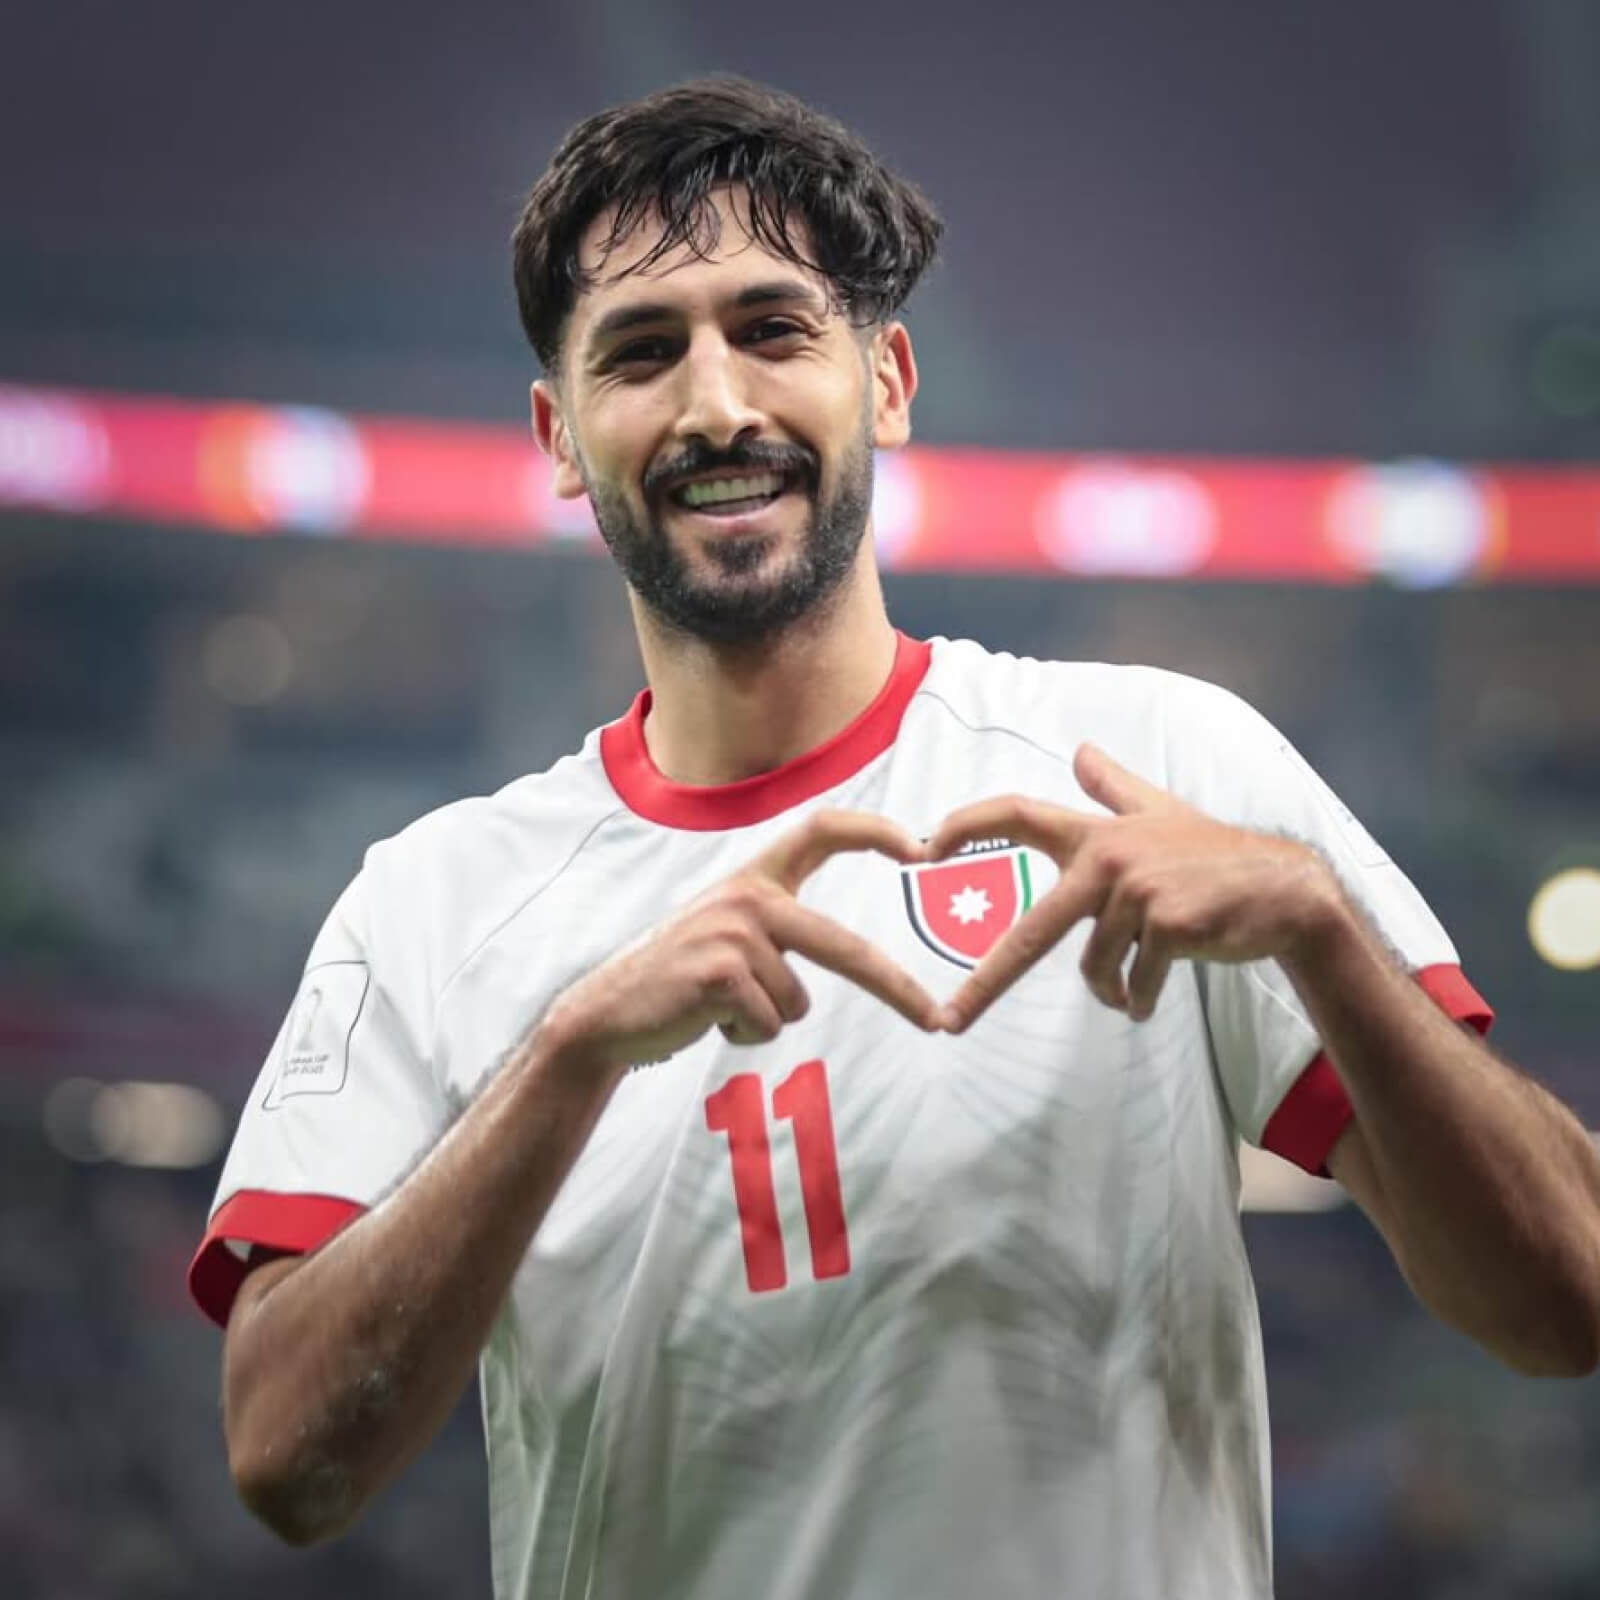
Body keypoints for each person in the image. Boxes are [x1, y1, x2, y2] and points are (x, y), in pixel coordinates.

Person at [189, 76, 1600, 1600]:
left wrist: (1324, 934)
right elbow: (287, 1461)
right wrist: (569, 1053)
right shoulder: (432, 902)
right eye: (642, 352)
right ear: (559, 434)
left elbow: (1566, 1298)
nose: (716, 406)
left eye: (773, 329)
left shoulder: (1160, 763)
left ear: (889, 380)